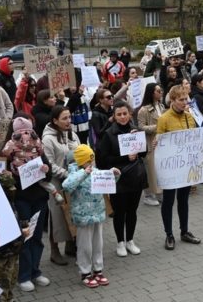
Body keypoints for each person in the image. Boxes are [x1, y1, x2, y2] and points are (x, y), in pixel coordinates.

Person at [1, 116, 54, 292]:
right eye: (22, 134)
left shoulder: (39, 149)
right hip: (22, 198)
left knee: (37, 236)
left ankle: (35, 271)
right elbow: (3, 175)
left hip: (39, 197)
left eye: (28, 133)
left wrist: (45, 170)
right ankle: (23, 275)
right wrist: (15, 174)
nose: (26, 138)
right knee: (25, 237)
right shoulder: (9, 152)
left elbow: (48, 172)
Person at [155, 86, 203, 250]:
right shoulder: (164, 119)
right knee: (168, 201)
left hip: (185, 167)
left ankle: (184, 231)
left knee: (183, 200)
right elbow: (160, 142)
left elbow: (195, 138)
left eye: (186, 99)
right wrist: (156, 142)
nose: (185, 103)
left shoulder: (189, 117)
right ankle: (168, 234)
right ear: (172, 100)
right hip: (170, 169)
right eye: (181, 100)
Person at [95, 101, 147, 257]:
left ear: (130, 114)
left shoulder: (135, 130)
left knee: (132, 210)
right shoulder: (109, 134)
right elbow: (103, 160)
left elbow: (144, 153)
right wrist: (125, 157)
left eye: (125, 113)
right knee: (120, 212)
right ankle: (120, 242)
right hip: (118, 179)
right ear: (114, 116)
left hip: (135, 177)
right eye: (119, 114)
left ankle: (130, 240)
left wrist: (138, 147)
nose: (123, 117)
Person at [62, 145, 115, 288]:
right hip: (83, 217)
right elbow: (67, 186)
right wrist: (84, 173)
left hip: (97, 214)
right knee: (85, 246)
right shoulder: (74, 173)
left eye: (92, 160)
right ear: (81, 161)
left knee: (98, 244)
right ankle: (85, 272)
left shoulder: (95, 171)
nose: (91, 163)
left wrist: (114, 175)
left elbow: (108, 184)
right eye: (88, 160)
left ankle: (98, 270)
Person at [41, 106, 78, 266]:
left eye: (69, 117)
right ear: (55, 120)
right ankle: (54, 251)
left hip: (72, 180)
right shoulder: (48, 139)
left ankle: (71, 245)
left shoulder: (72, 133)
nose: (68, 121)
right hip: (56, 182)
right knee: (56, 217)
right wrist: (66, 173)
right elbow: (49, 163)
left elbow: (80, 150)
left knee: (72, 213)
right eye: (64, 118)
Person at [137, 83, 164, 206]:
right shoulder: (143, 110)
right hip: (149, 143)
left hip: (160, 142)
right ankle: (148, 195)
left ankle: (158, 192)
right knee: (150, 170)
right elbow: (141, 127)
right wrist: (157, 127)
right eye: (158, 91)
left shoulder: (161, 106)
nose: (161, 92)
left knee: (159, 169)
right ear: (152, 93)